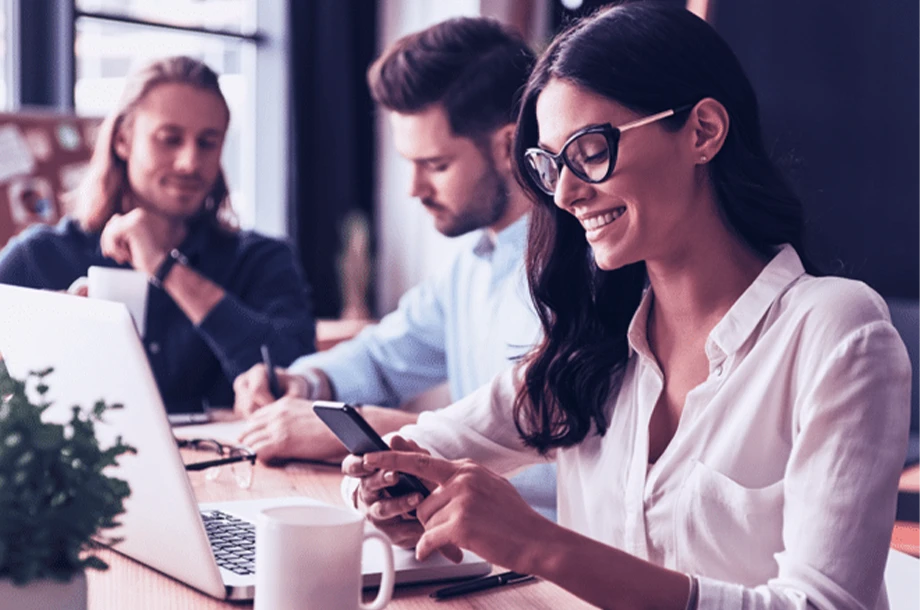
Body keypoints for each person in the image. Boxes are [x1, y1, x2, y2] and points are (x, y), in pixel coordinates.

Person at [343, 4, 911, 609]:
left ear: (702, 132)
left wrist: (538, 544)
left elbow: (826, 606)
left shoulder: (836, 331)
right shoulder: (592, 346)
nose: (563, 193)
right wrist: (386, 491)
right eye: (550, 164)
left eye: (589, 151)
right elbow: (421, 447)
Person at [232, 17, 557, 519]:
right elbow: (384, 358)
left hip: (544, 567)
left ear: (507, 145)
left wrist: (376, 430)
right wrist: (305, 384)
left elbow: (563, 460)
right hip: (468, 542)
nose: (413, 189)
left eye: (436, 164)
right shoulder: (471, 264)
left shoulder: (580, 273)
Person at [0, 56, 315, 412]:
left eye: (207, 143)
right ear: (122, 140)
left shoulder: (262, 260)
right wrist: (47, 327)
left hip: (228, 467)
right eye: (170, 139)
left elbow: (298, 378)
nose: (189, 162)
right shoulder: (39, 256)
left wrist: (166, 269)